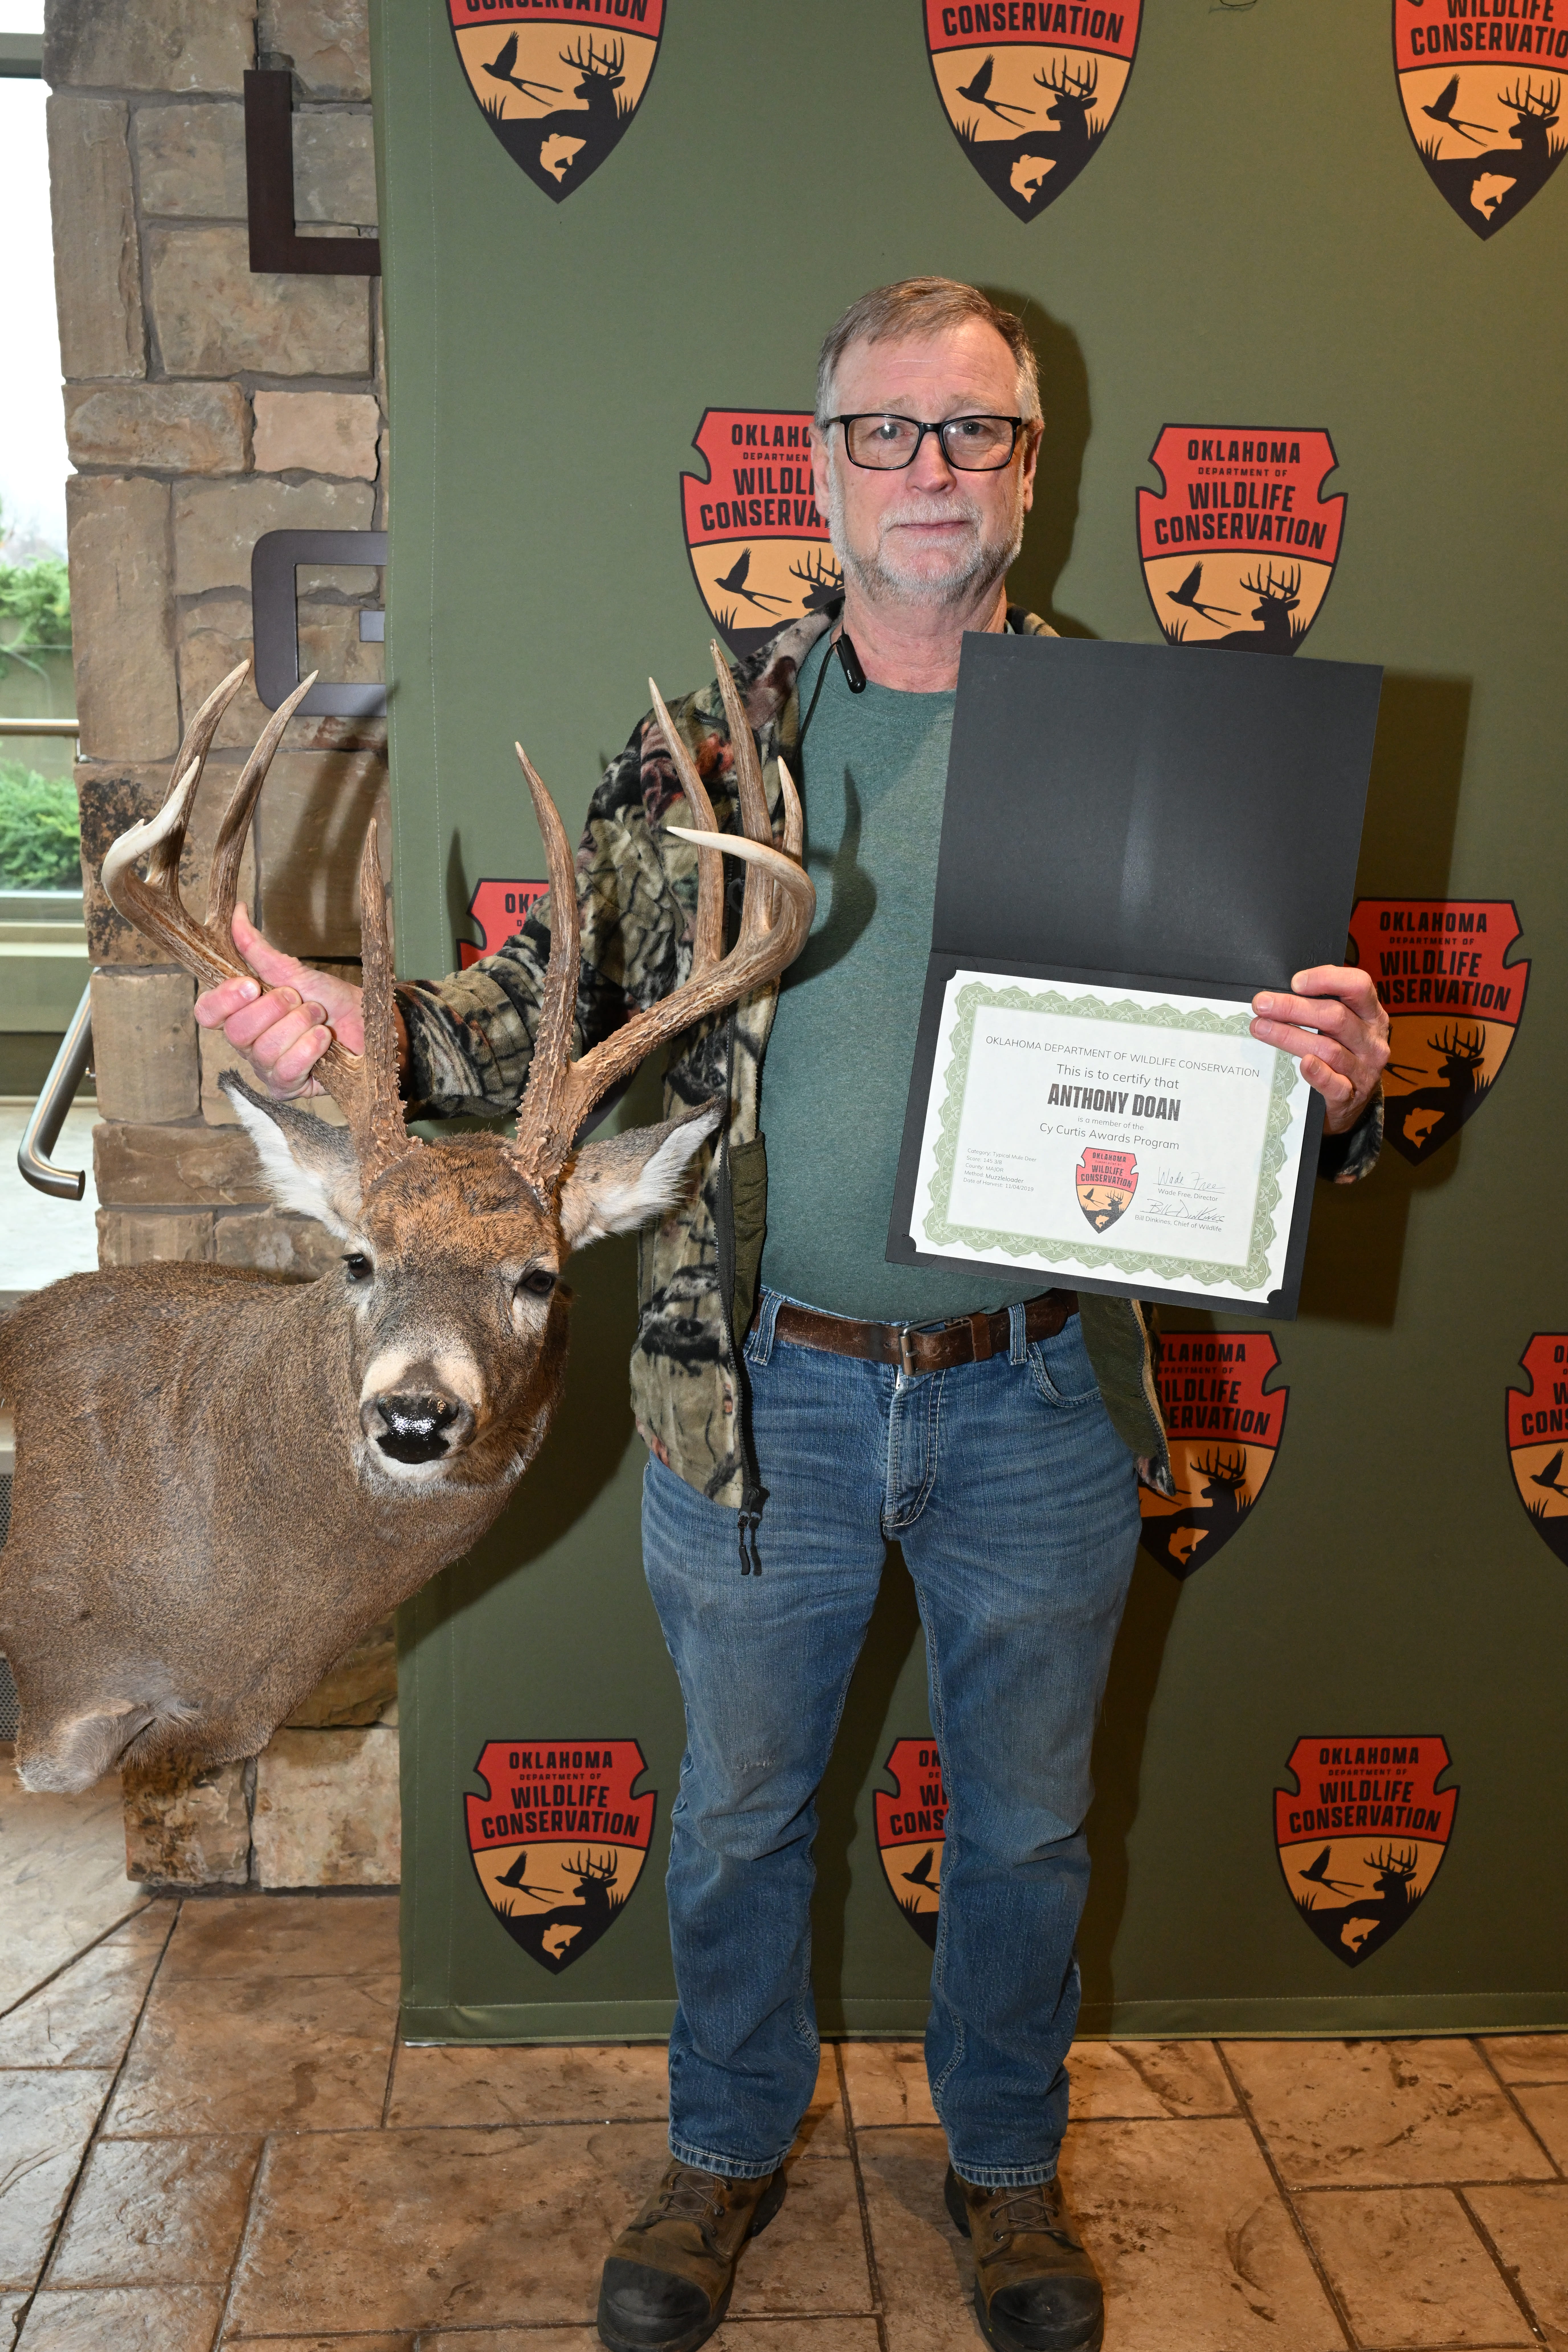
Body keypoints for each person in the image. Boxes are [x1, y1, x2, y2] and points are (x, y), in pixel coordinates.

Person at [198, 279, 1389, 2352]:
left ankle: (1005, 2174)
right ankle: (727, 2148)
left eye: (976, 432)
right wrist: (346, 1025)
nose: (932, 470)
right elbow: (523, 1026)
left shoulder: (1166, 754)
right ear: (822, 470)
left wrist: (1340, 1096)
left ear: (1033, 469)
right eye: (889, 432)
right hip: (760, 1399)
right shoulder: (699, 751)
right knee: (740, 1820)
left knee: (1021, 1827)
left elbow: (1250, 1114)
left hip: (1036, 1400)